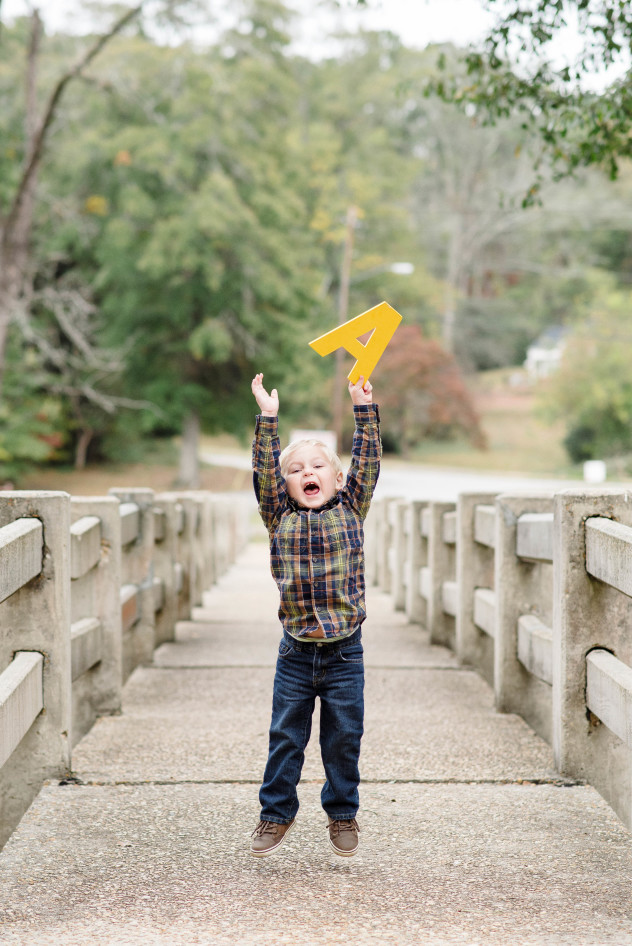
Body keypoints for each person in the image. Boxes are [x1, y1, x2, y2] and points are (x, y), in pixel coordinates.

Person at [249, 371, 381, 858]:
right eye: (295, 468)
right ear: (284, 485)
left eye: (318, 466)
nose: (307, 472)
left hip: (346, 650)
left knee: (344, 737)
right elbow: (264, 473)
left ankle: (343, 812)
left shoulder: (352, 507)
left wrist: (362, 408)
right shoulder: (277, 514)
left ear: (337, 478)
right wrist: (268, 419)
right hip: (296, 652)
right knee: (286, 736)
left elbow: (368, 460)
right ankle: (275, 814)